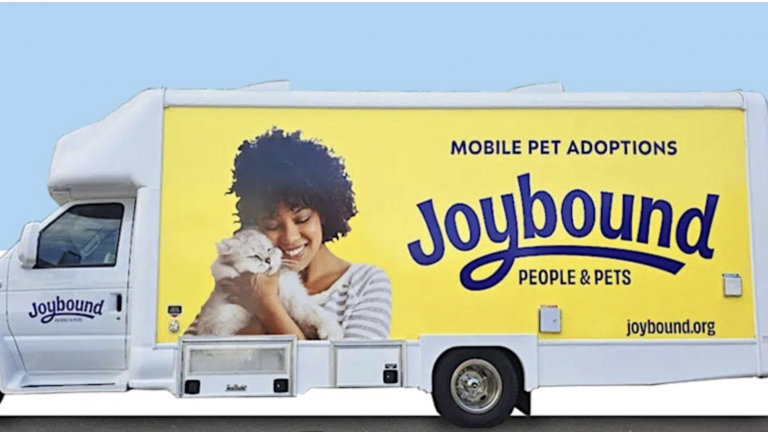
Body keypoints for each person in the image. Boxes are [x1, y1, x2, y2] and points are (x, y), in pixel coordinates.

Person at [218, 127, 392, 340]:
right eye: (272, 225)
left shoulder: (365, 283)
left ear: (325, 214)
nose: (290, 238)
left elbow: (353, 371)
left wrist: (267, 305)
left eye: (302, 219)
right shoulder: (244, 277)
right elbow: (197, 357)